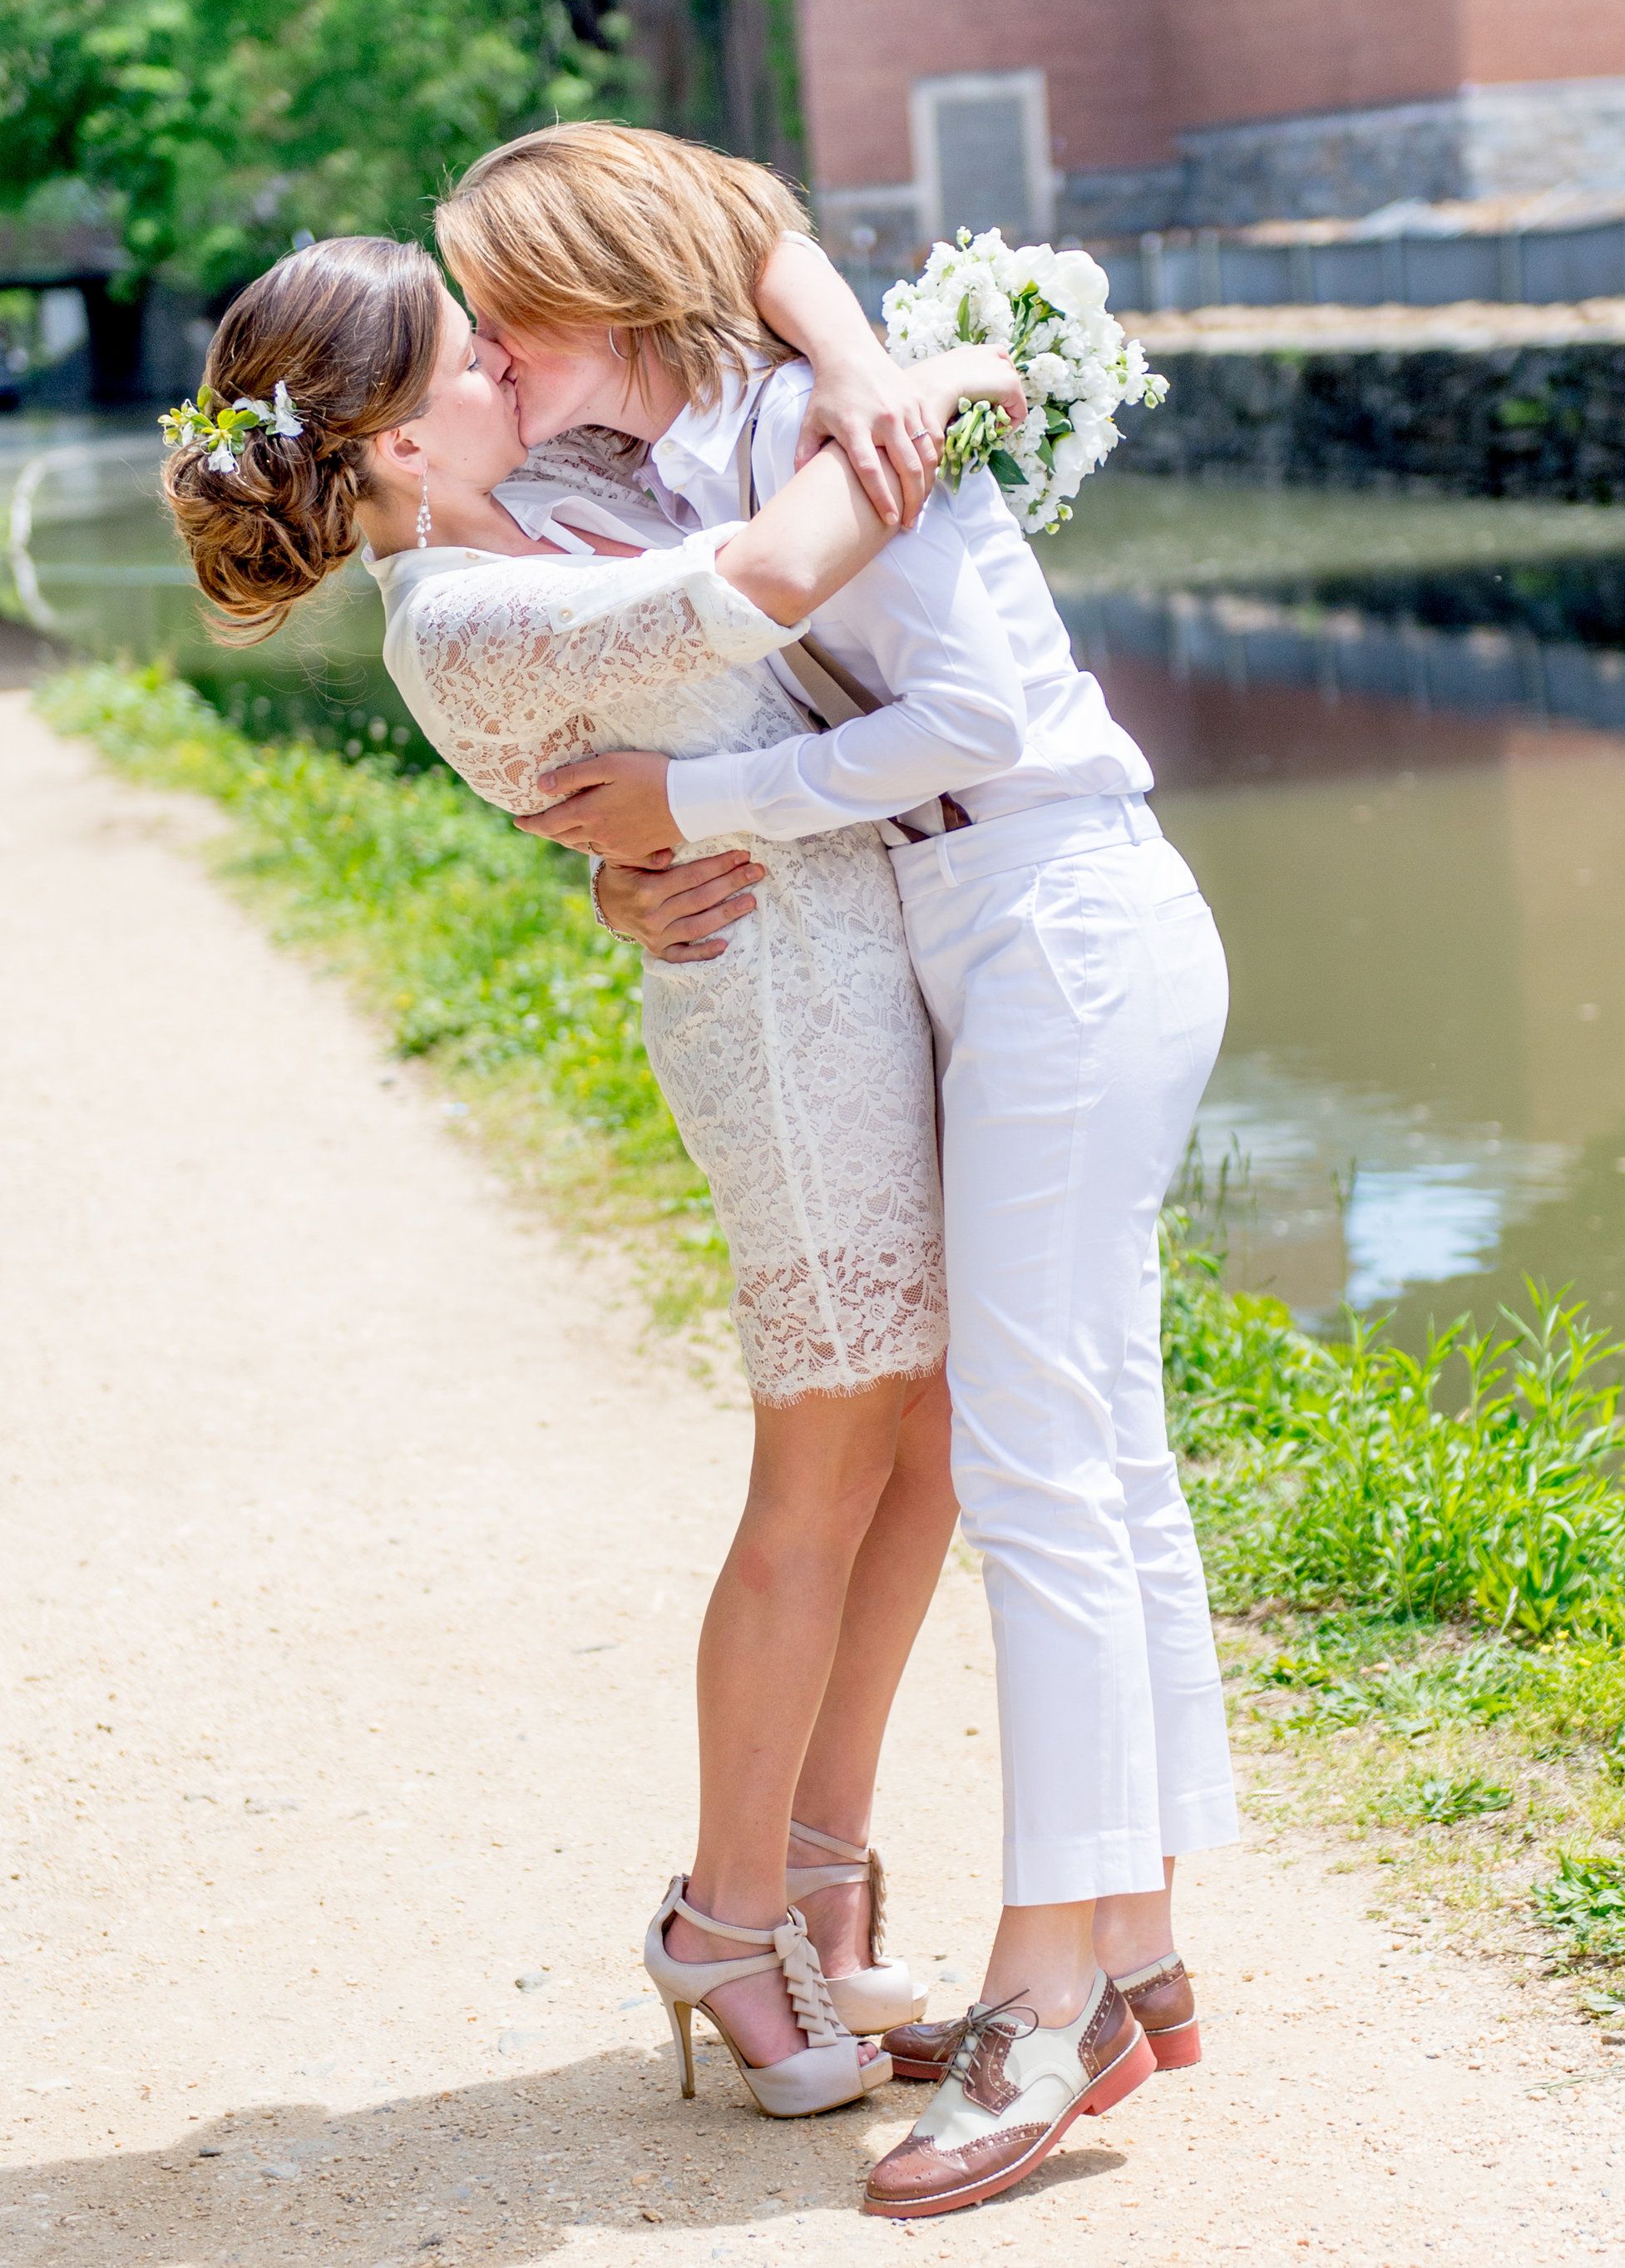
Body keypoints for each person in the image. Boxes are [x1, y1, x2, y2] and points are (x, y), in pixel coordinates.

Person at [433, 123, 1240, 2223]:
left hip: (1056, 906)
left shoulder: (816, 416)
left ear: (607, 290)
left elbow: (970, 711)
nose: (492, 358)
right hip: (977, 932)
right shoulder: (680, 460)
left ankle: (1042, 1996)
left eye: (506, 315)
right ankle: (1137, 1939)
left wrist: (700, 792)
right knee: (1092, 1446)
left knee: (1042, 1456)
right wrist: (643, 857)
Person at [160, 228, 1028, 2122]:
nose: (511, 361)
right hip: (782, 1034)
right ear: (391, 450)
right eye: (471, 354)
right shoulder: (452, 618)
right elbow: (769, 577)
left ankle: (821, 1867)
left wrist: (839, 351)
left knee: (932, 1438)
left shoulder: (548, 487)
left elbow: (723, 264)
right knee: (818, 1470)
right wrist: (935, 384)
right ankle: (723, 1918)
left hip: (873, 968)